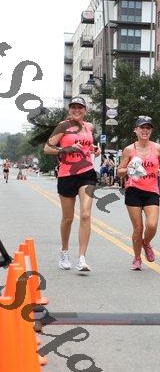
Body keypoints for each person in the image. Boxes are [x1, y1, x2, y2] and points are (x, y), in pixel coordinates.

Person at [44, 96, 101, 271]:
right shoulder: (63, 126)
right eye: (73, 107)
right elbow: (47, 148)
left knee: (85, 214)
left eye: (80, 107)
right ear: (69, 110)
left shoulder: (89, 127)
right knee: (68, 218)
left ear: (85, 110)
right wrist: (66, 149)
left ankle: (82, 258)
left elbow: (87, 146)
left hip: (87, 173)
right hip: (67, 174)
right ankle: (64, 252)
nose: (77, 110)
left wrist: (94, 149)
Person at [118, 116, 160, 270]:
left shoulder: (158, 148)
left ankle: (146, 243)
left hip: (151, 191)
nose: (145, 130)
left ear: (151, 131)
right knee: (138, 228)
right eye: (142, 128)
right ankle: (137, 258)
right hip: (134, 190)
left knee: (152, 225)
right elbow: (119, 171)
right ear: (136, 130)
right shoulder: (129, 149)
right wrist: (129, 169)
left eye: (148, 128)